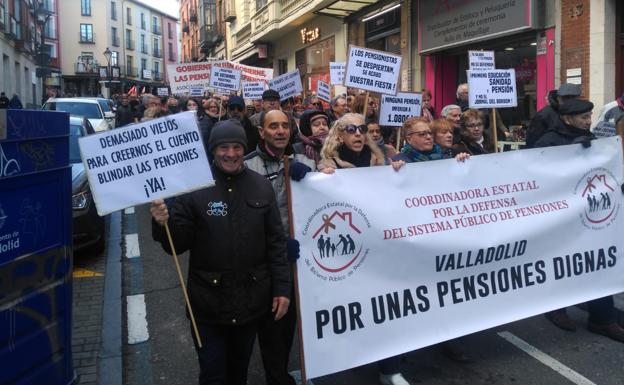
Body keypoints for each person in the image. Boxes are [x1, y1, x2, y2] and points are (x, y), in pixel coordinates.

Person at [150, 120, 291, 385]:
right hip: (207, 305)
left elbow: (276, 243)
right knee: (213, 374)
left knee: (239, 372)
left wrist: (282, 289)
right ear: (213, 151)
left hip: (251, 302)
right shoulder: (194, 188)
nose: (231, 153)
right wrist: (163, 223)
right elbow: (175, 245)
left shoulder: (261, 185)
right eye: (223, 147)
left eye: (237, 147)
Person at [318, 113, 406, 385]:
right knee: (351, 309)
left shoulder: (381, 162)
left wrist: (402, 172)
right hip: (349, 251)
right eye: (350, 129)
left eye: (362, 129)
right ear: (339, 134)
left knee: (385, 307)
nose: (358, 133)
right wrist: (319, 177)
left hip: (380, 248)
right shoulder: (327, 165)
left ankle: (389, 368)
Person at [533, 99, 624, 343]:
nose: (588, 121)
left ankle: (602, 318)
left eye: (589, 116)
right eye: (583, 117)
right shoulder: (548, 140)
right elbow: (536, 175)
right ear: (567, 118)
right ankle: (556, 307)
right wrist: (567, 155)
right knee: (564, 263)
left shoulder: (594, 140)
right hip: (561, 218)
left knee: (597, 263)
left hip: (590, 217)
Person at [244, 110, 315, 385]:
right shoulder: (248, 167)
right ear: (261, 132)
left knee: (291, 326)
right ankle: (277, 378)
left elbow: (331, 193)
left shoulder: (306, 159)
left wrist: (317, 177)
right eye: (273, 126)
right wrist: (273, 245)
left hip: (300, 259)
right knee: (273, 326)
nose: (280, 131)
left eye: (285, 126)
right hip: (265, 262)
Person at [526, 83, 582, 148]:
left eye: (572, 98)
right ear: (558, 98)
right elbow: (531, 141)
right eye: (565, 98)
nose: (568, 102)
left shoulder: (579, 112)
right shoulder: (544, 115)